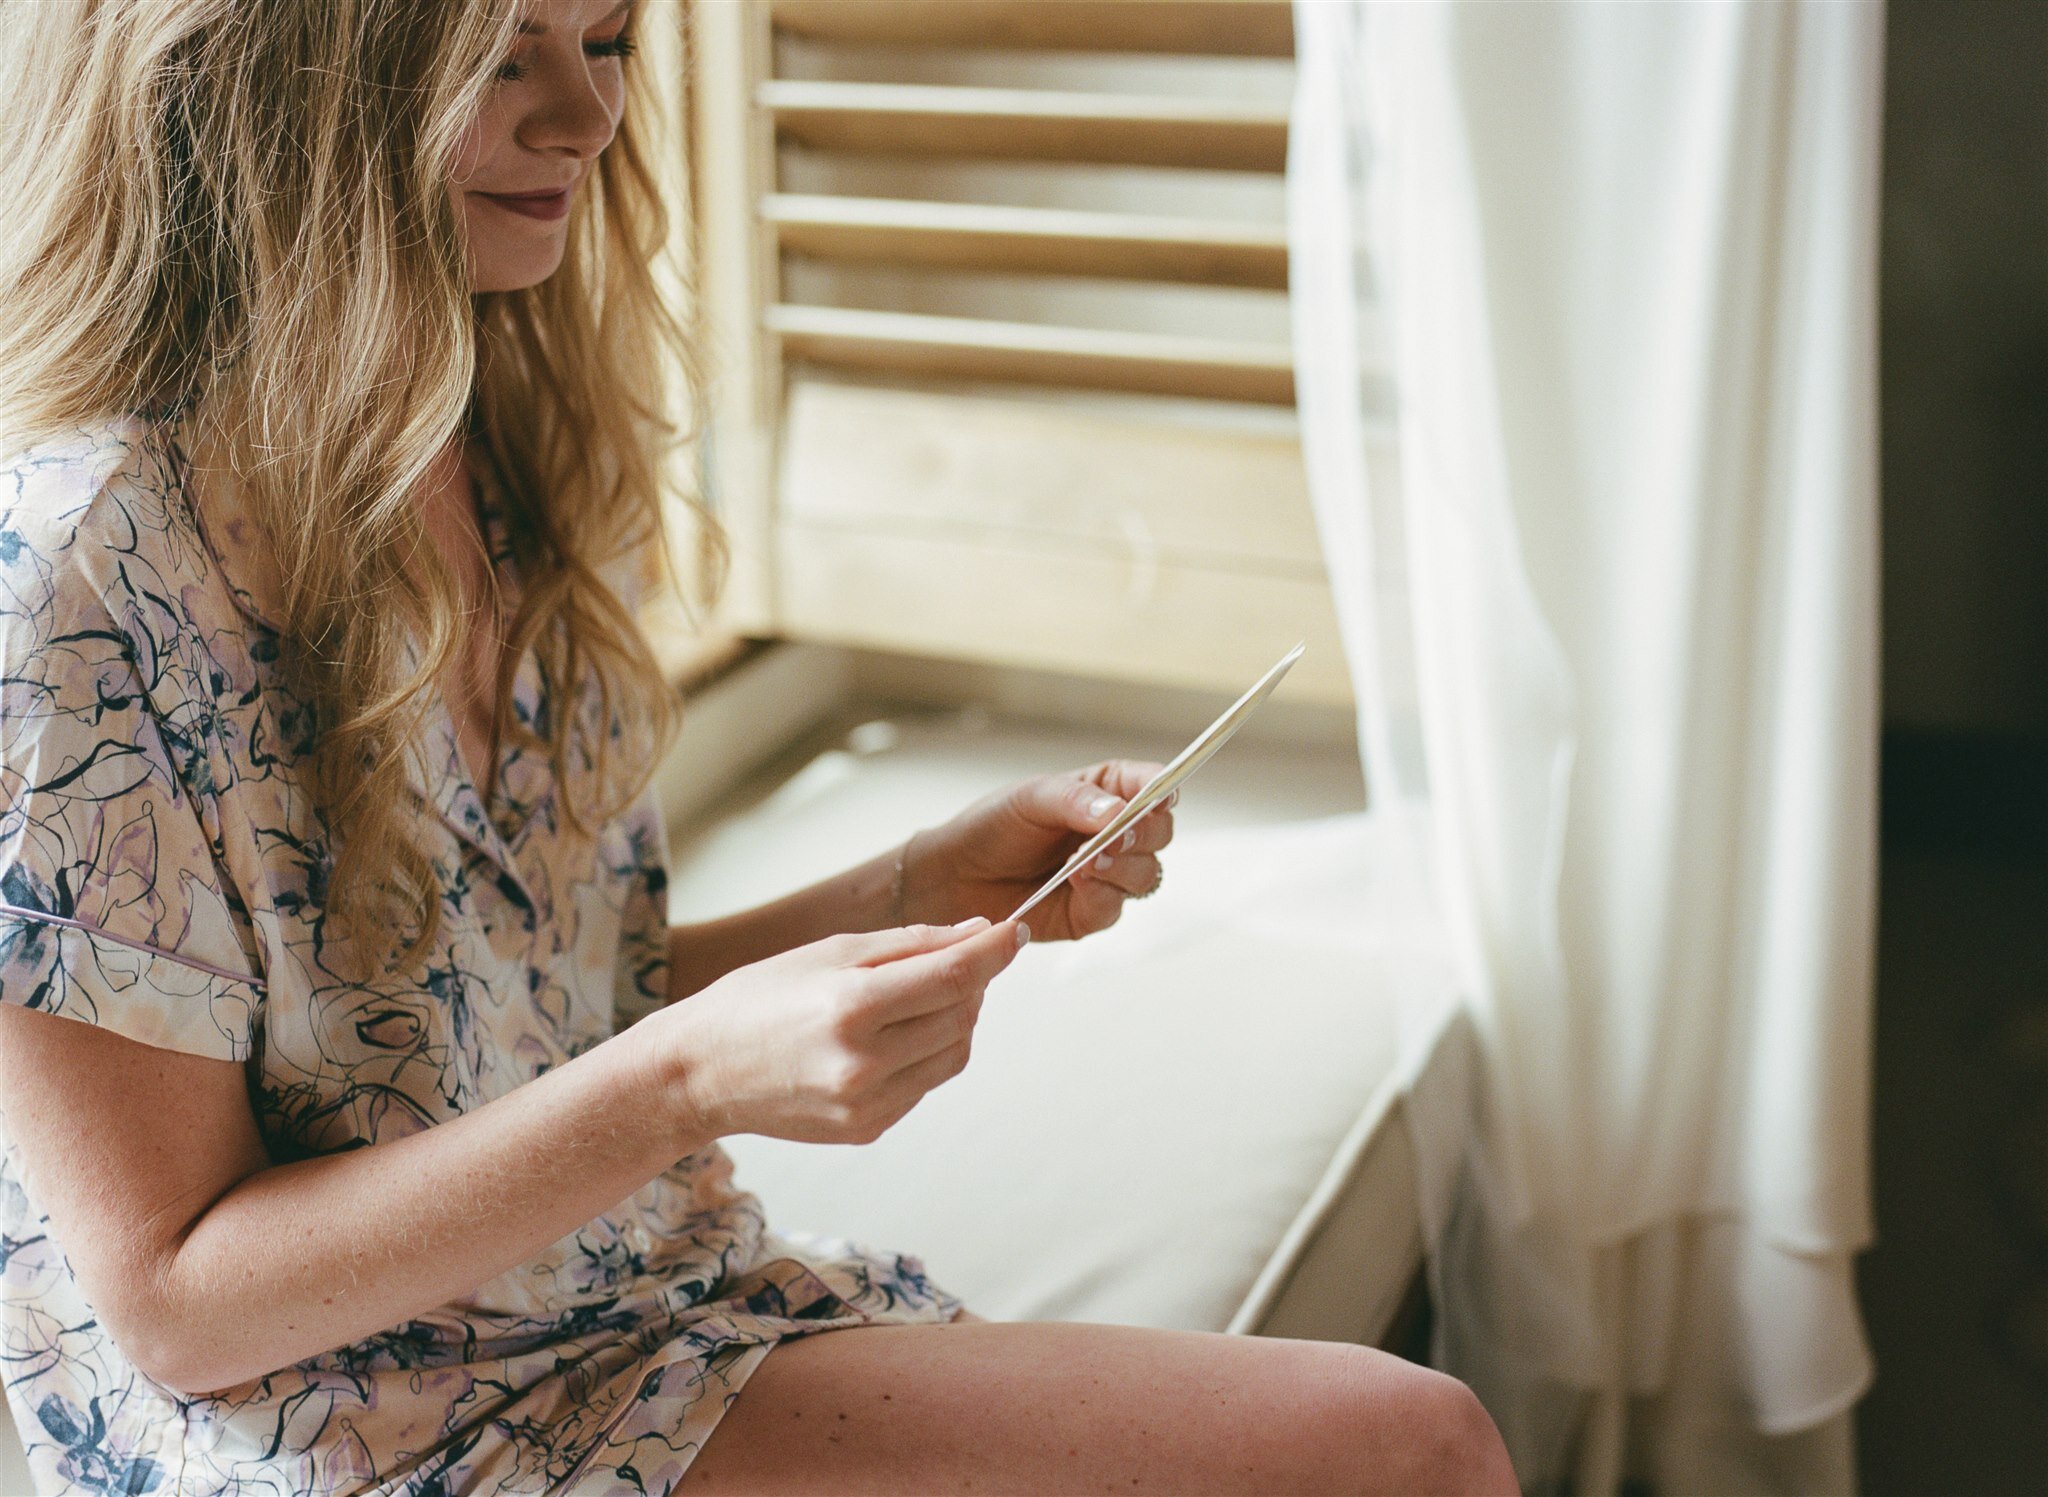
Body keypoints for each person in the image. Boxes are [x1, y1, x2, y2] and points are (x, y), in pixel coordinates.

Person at [0, 2, 1518, 1492]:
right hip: (362, 1436)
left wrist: (913, 887)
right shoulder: (76, 580)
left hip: (644, 1307)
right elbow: (176, 1296)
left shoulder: (488, 439)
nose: (586, 119)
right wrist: (679, 1088)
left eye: (602, 43)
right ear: (274, 77)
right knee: (1412, 1449)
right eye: (496, 55)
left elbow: (543, 1009)